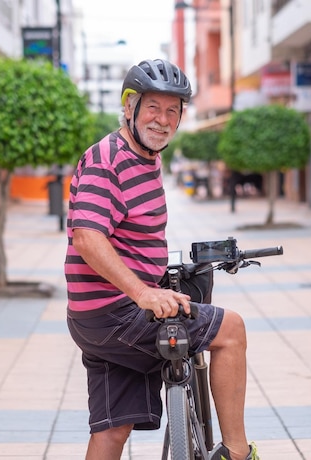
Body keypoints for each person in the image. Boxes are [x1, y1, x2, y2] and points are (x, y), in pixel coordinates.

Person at [64, 59, 259, 460]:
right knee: (232, 330)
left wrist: (153, 276)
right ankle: (238, 453)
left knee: (111, 430)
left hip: (95, 318)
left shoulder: (145, 158)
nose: (163, 119)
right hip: (117, 313)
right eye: (153, 107)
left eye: (173, 110)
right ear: (129, 107)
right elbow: (87, 236)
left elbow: (131, 234)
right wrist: (142, 293)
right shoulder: (108, 159)